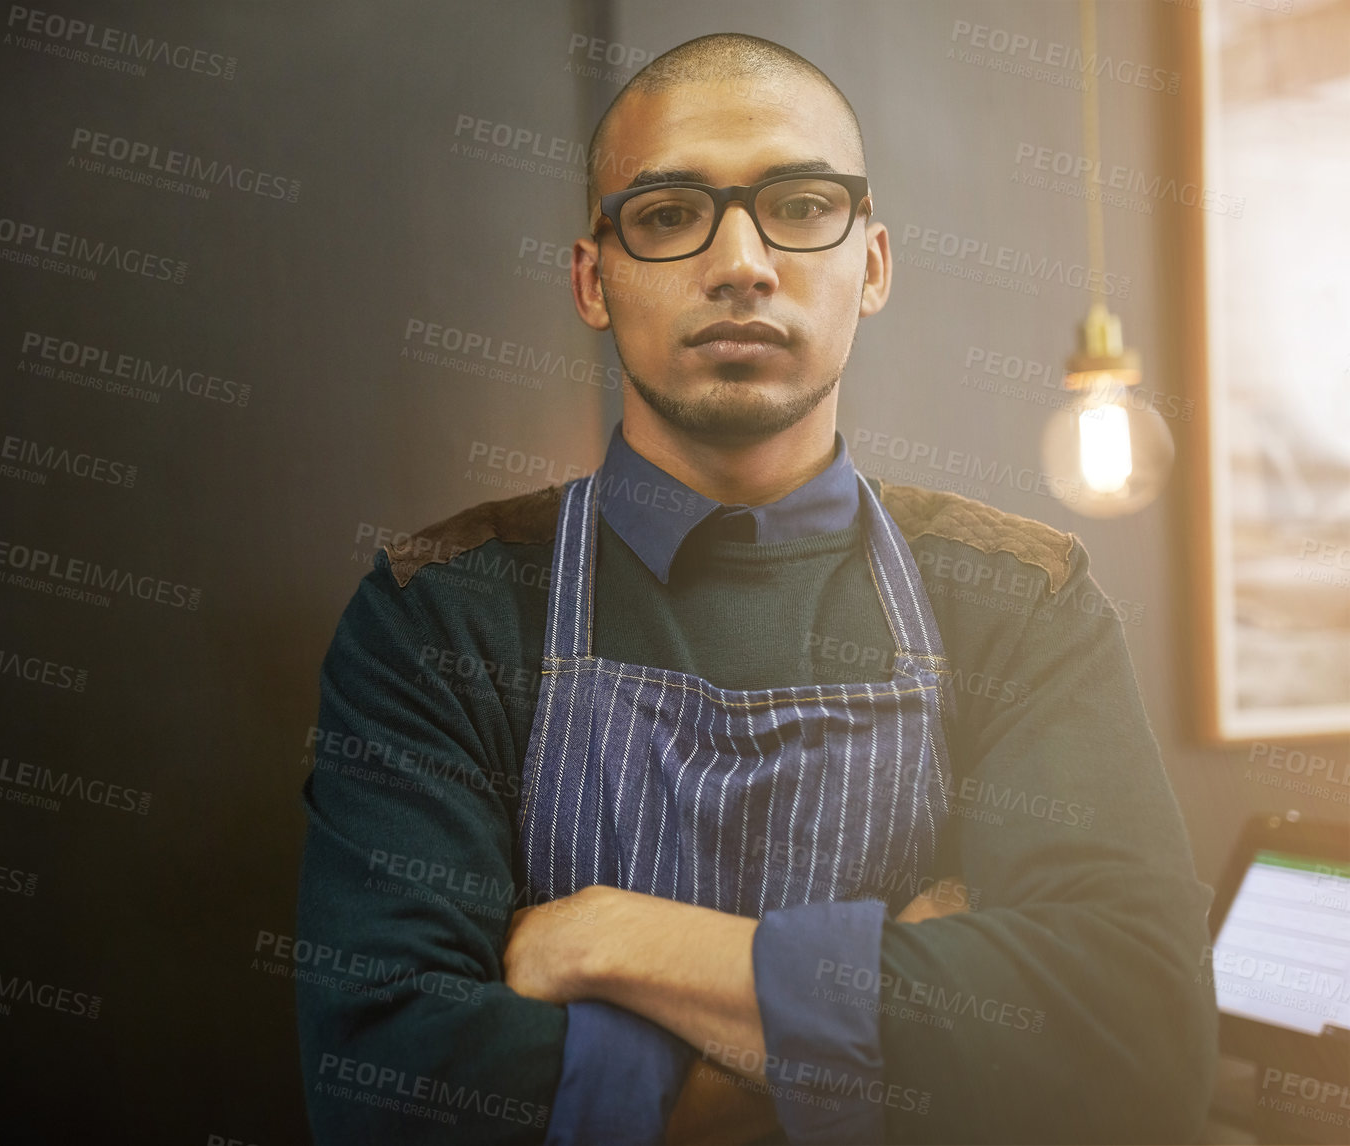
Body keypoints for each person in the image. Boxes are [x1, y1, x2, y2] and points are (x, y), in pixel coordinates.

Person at [295, 32, 1216, 1145]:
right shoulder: (438, 612)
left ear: (870, 263)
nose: (740, 261)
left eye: (799, 203)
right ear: (594, 280)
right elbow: (391, 1085)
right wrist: (891, 1030)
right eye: (670, 214)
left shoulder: (1020, 602)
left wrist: (612, 944)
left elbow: (1136, 1041)